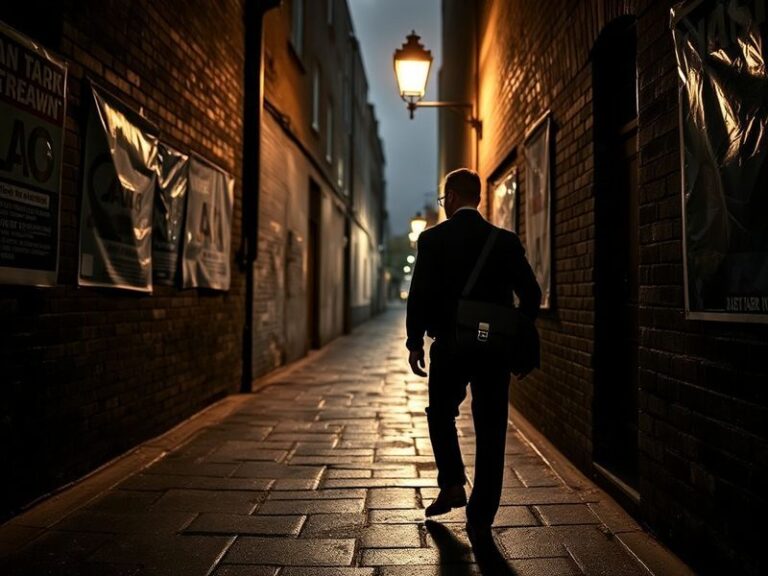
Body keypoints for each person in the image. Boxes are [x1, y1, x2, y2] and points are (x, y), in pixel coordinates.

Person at [405, 168, 541, 543]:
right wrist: (513, 330)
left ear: (449, 197)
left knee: (440, 413)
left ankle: (451, 483)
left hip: (449, 345)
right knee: (492, 427)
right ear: (478, 199)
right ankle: (481, 517)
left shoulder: (433, 240)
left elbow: (419, 295)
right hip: (493, 351)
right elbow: (532, 295)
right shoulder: (505, 242)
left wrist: (414, 341)